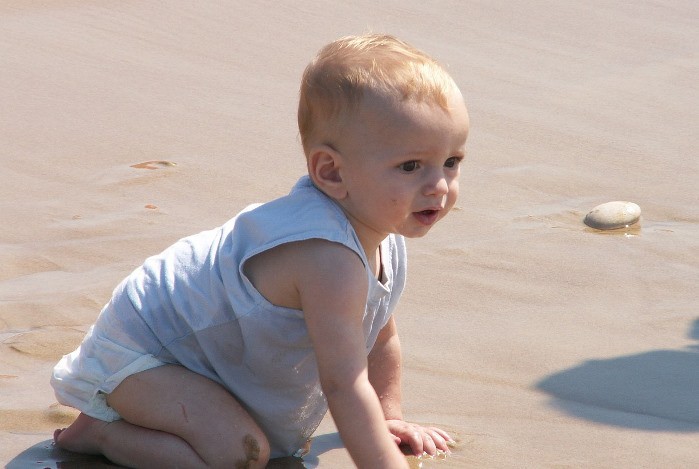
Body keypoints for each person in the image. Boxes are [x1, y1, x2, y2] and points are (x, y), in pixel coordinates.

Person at [51, 33, 470, 468]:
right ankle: (103, 432)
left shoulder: (381, 229)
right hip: (148, 352)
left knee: (254, 445)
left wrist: (388, 418)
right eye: (410, 166)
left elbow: (379, 331)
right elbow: (344, 385)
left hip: (205, 355)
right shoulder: (326, 256)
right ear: (330, 172)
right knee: (242, 456)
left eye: (452, 161)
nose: (438, 186)